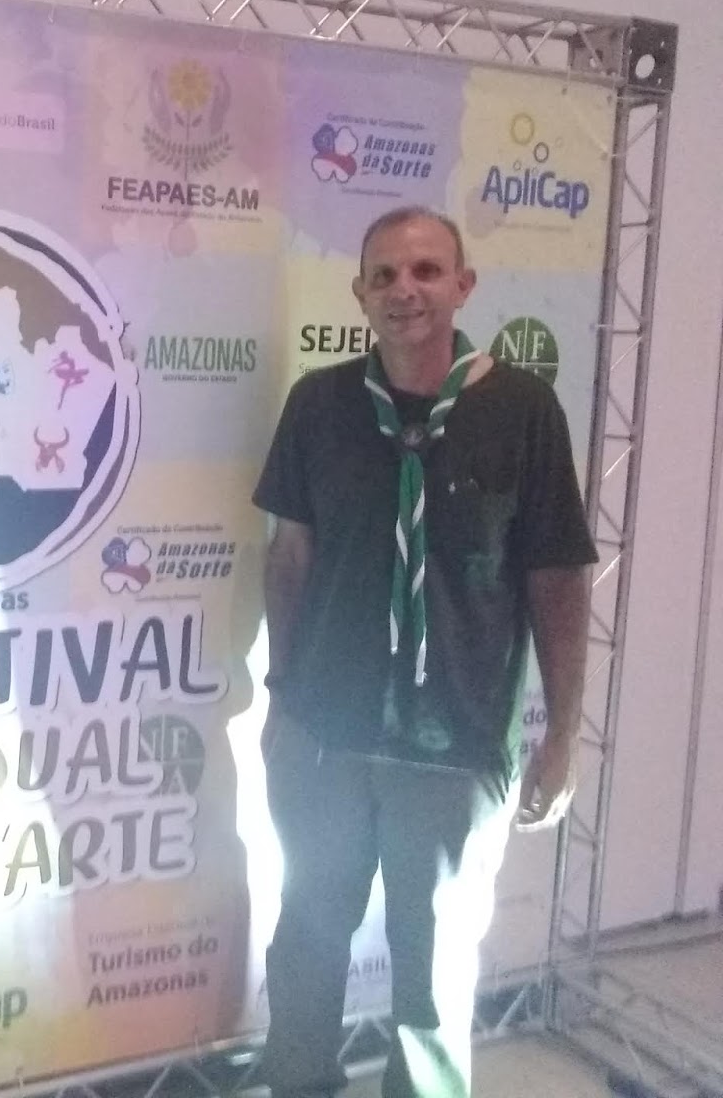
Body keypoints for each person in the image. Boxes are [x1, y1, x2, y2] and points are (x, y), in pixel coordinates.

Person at [253, 206, 595, 1098]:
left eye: (426, 271)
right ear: (361, 294)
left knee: (434, 981)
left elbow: (557, 579)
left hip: (455, 748)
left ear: (463, 285)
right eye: (385, 275)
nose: (405, 290)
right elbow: (289, 559)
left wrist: (562, 735)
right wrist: (282, 697)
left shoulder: (523, 412)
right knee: (305, 951)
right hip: (325, 738)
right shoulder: (320, 405)